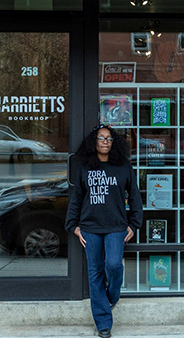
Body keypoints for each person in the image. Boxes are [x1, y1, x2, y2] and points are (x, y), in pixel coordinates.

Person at [65, 124, 143, 338]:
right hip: (90, 227)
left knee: (114, 265)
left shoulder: (123, 166)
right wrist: (73, 226)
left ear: (114, 142)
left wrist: (134, 224)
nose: (105, 141)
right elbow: (77, 198)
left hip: (116, 226)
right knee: (95, 273)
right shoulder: (85, 167)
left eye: (109, 138)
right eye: (101, 138)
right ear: (94, 142)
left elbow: (134, 196)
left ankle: (112, 296)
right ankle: (103, 324)